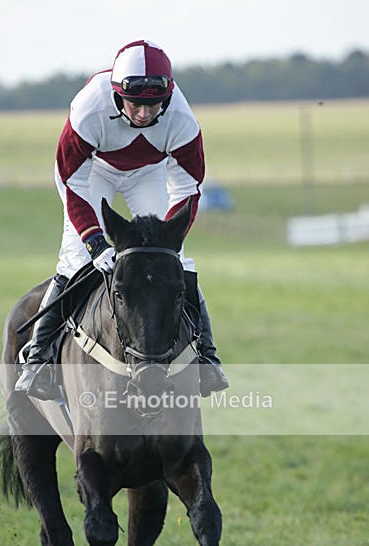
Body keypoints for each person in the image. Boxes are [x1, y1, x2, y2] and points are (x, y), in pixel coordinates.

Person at [15, 39, 228, 400]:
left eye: (153, 104)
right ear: (117, 94)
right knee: (76, 257)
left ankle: (207, 355)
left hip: (148, 173)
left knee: (176, 261)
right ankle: (38, 357)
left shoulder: (182, 120)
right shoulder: (89, 108)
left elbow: (188, 187)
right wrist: (95, 241)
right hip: (90, 174)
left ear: (168, 95)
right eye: (135, 104)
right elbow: (73, 182)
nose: (144, 114)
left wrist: (169, 241)